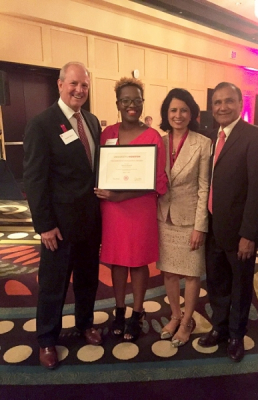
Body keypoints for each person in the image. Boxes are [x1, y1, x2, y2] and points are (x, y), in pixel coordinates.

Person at [23, 62, 102, 370]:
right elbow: (35, 179)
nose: (79, 90)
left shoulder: (92, 122)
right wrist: (44, 226)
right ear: (59, 85)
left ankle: (85, 324)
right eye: (73, 84)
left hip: (90, 222)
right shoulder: (42, 123)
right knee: (54, 285)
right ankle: (46, 339)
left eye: (84, 85)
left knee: (87, 280)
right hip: (58, 226)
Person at [198, 82, 258, 362]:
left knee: (240, 286)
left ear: (240, 104)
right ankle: (219, 328)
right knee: (216, 283)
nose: (222, 107)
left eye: (228, 101)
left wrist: (248, 234)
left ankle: (235, 335)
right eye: (217, 102)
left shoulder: (256, 137)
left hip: (240, 231)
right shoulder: (211, 136)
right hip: (214, 227)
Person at [94, 77, 167, 342]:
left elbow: (156, 181)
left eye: (137, 100)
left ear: (142, 103)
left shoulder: (152, 137)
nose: (131, 105)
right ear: (118, 103)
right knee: (116, 260)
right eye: (126, 100)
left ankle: (137, 313)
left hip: (139, 208)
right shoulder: (107, 134)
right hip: (112, 210)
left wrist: (118, 194)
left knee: (137, 262)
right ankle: (119, 310)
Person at [157, 88, 211, 347]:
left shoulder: (203, 144)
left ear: (192, 114)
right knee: (168, 272)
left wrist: (200, 226)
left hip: (190, 219)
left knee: (191, 274)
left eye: (184, 110)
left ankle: (188, 320)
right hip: (163, 217)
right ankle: (175, 315)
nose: (178, 115)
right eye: (173, 110)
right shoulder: (158, 141)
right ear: (166, 114)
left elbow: (204, 188)